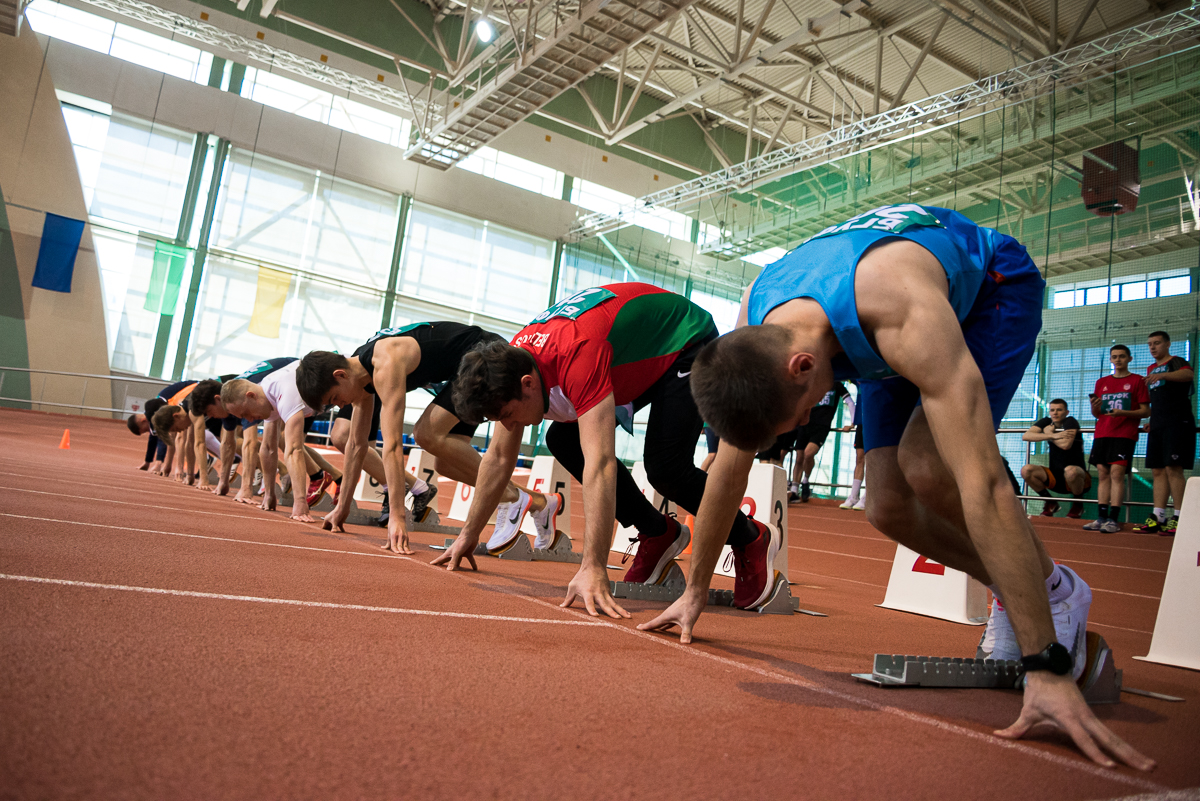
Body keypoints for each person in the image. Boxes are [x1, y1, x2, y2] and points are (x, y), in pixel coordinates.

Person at [640, 204, 1152, 770]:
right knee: (885, 506)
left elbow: (983, 485)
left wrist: (1046, 667)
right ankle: (1038, 586)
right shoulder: (755, 332)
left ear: (804, 368)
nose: (802, 427)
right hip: (858, 324)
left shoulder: (902, 313)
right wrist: (694, 592)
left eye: (798, 418)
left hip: (988, 291)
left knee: (931, 466)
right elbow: (728, 471)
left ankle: (1054, 601)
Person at [439, 284, 777, 617]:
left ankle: (749, 536)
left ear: (528, 384)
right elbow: (498, 457)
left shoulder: (577, 355)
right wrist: (468, 535)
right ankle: (657, 533)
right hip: (633, 353)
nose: (509, 427)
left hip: (685, 341)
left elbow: (600, 464)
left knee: (665, 467)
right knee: (563, 439)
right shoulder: (513, 363)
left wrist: (593, 566)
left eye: (508, 416)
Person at [296, 322, 558, 556]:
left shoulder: (385, 363)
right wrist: (342, 507)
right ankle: (538, 502)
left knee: (425, 434)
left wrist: (398, 516)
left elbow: (393, 446)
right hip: (458, 370)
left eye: (333, 400)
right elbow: (356, 445)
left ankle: (513, 499)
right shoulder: (362, 381)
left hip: (482, 359)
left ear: (340, 376)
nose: (339, 405)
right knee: (445, 464)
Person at [219, 361, 341, 522]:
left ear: (251, 396)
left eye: (246, 413)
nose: (249, 420)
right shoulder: (267, 393)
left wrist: (300, 502)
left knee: (341, 437)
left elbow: (294, 450)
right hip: (309, 390)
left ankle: (326, 477)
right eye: (243, 418)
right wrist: (270, 494)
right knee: (280, 439)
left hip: (346, 380)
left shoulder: (284, 393)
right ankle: (333, 477)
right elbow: (268, 447)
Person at [188, 358, 297, 498]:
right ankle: (285, 474)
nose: (211, 416)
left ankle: (313, 475)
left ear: (217, 399)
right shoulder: (228, 402)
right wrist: (223, 481)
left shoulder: (240, 400)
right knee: (272, 438)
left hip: (301, 383)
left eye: (209, 411)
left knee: (283, 438)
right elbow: (227, 444)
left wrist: (246, 488)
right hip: (281, 385)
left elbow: (250, 443)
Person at [327, 393, 430, 530]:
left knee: (342, 437)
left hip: (369, 387)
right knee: (366, 449)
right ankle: (417, 486)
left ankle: (395, 486)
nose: (338, 404)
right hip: (372, 388)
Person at [1132, 331, 1195, 536]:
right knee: (1157, 470)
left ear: (1167, 344)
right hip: (1158, 424)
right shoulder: (1151, 369)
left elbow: (1189, 375)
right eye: (1150, 344)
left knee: (1173, 469)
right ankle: (1157, 516)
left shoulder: (1177, 362)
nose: (1152, 347)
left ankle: (1179, 516)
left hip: (1177, 422)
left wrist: (1164, 374)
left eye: (1157, 343)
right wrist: (1152, 421)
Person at [1085, 345, 1148, 534]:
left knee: (1116, 474)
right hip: (1102, 433)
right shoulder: (1102, 382)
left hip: (1124, 434)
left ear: (1130, 358)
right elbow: (1097, 414)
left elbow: (1146, 411)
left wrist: (1123, 413)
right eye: (1114, 357)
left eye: (1122, 356)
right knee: (1103, 474)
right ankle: (1101, 517)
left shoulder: (1138, 381)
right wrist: (1094, 406)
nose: (1118, 359)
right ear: (1110, 360)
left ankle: (1114, 519)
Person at [1021, 399, 1090, 519]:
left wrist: (1050, 437)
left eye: (1059, 410)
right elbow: (1026, 436)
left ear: (1066, 412)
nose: (1055, 413)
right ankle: (1050, 502)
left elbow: (1065, 445)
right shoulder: (1047, 422)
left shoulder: (1070, 421)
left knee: (1070, 470)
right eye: (1052, 410)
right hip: (1055, 477)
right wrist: (1052, 435)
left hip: (1077, 478)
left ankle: (1078, 505)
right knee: (1026, 470)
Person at [790, 381, 851, 502]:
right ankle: (794, 490)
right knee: (799, 457)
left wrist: (852, 422)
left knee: (808, 453)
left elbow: (849, 401)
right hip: (805, 424)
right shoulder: (814, 382)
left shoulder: (837, 385)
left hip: (821, 426)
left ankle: (805, 480)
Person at [126, 379, 197, 475]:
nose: (148, 432)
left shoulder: (154, 412)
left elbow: (162, 437)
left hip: (192, 391)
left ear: (143, 421)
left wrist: (159, 463)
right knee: (176, 434)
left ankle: (177, 468)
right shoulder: (151, 412)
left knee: (181, 435)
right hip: (185, 396)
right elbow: (153, 438)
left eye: (144, 430)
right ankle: (169, 466)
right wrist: (147, 461)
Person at [838, 387, 866, 510]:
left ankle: (867, 497)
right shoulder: (859, 379)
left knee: (871, 459)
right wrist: (853, 422)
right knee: (859, 458)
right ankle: (854, 496)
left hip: (875, 420)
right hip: (861, 422)